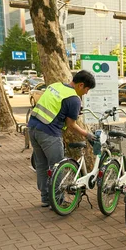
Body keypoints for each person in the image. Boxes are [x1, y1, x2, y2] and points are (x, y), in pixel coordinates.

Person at [28, 70, 97, 208]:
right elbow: (71, 125)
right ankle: (58, 201)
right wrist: (87, 134)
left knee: (41, 165)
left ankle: (46, 198)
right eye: (87, 89)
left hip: (33, 128)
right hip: (49, 133)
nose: (86, 93)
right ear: (81, 85)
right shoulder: (73, 99)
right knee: (57, 167)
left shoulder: (56, 86)